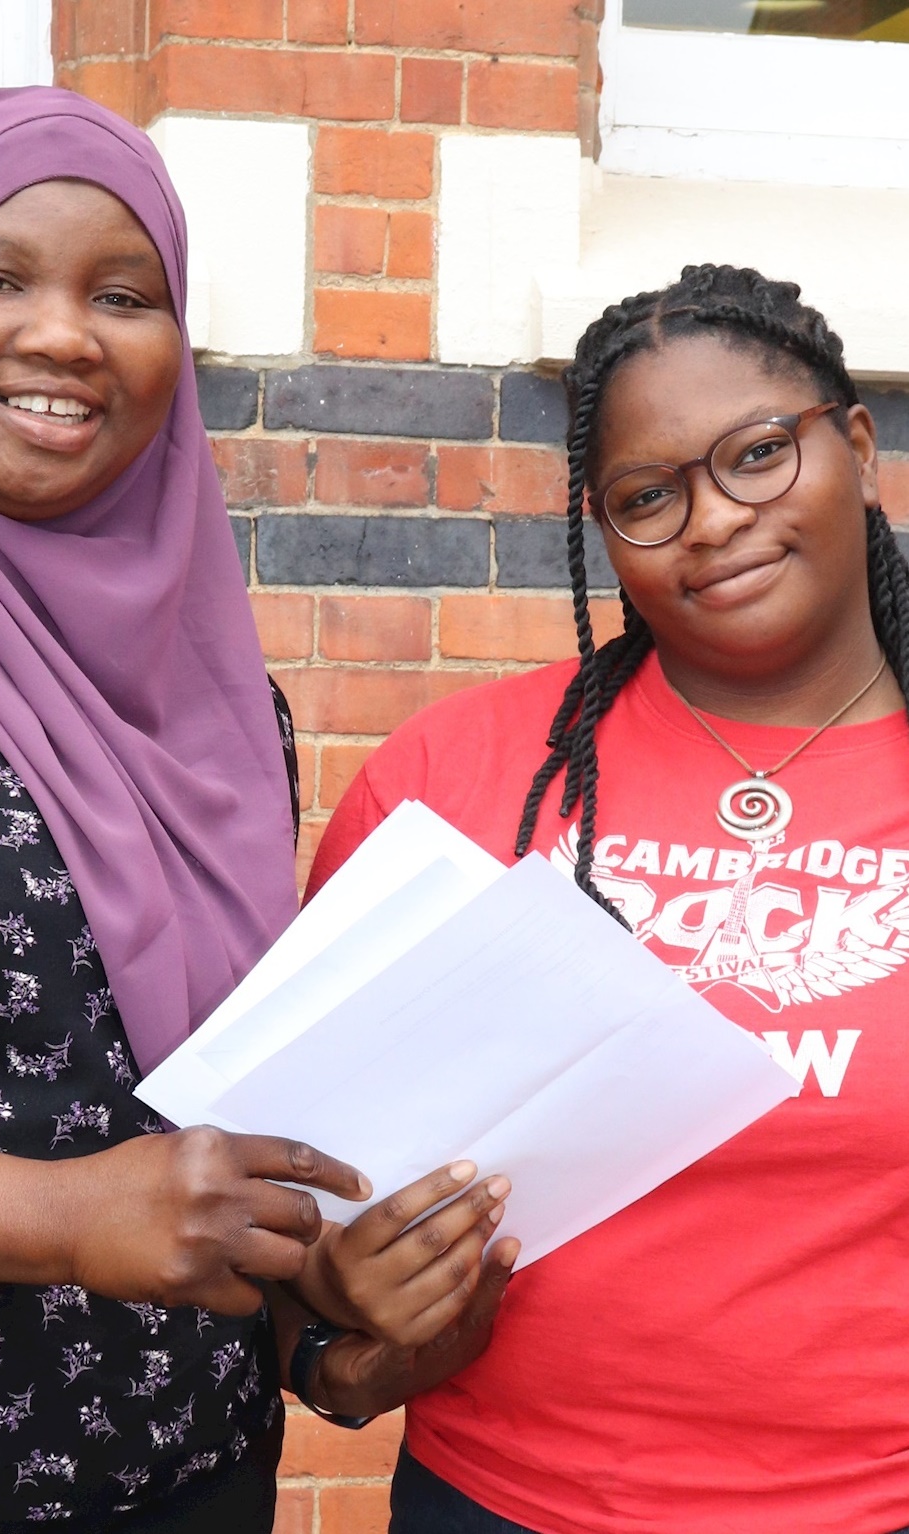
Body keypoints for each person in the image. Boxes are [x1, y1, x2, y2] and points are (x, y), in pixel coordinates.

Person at [0, 86, 516, 1532]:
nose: (65, 334)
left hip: (193, 1477)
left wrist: (332, 1311)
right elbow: (111, 1196)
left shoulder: (219, 700)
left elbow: (204, 1109)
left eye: (125, 295)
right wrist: (62, 1217)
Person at [307, 263, 909, 1534]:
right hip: (504, 1502)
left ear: (857, 450)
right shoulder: (450, 779)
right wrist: (343, 1305)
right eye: (647, 495)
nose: (714, 518)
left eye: (758, 453)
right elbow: (300, 1181)